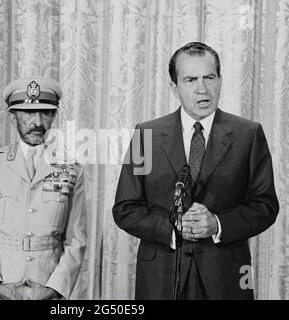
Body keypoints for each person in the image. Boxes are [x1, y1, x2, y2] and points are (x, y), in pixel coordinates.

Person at [112, 42, 279, 300]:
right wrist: (172, 227)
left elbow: (265, 206)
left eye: (209, 77)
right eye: (190, 79)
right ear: (174, 86)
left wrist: (218, 224)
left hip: (226, 277)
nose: (202, 88)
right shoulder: (146, 135)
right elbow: (125, 208)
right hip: (161, 277)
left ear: (220, 80)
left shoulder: (249, 134)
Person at [0, 76, 87, 300]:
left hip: (46, 289)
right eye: (29, 113)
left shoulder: (70, 169)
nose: (37, 122)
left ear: (53, 117)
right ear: (13, 118)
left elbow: (76, 241)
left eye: (45, 113)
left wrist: (52, 290)